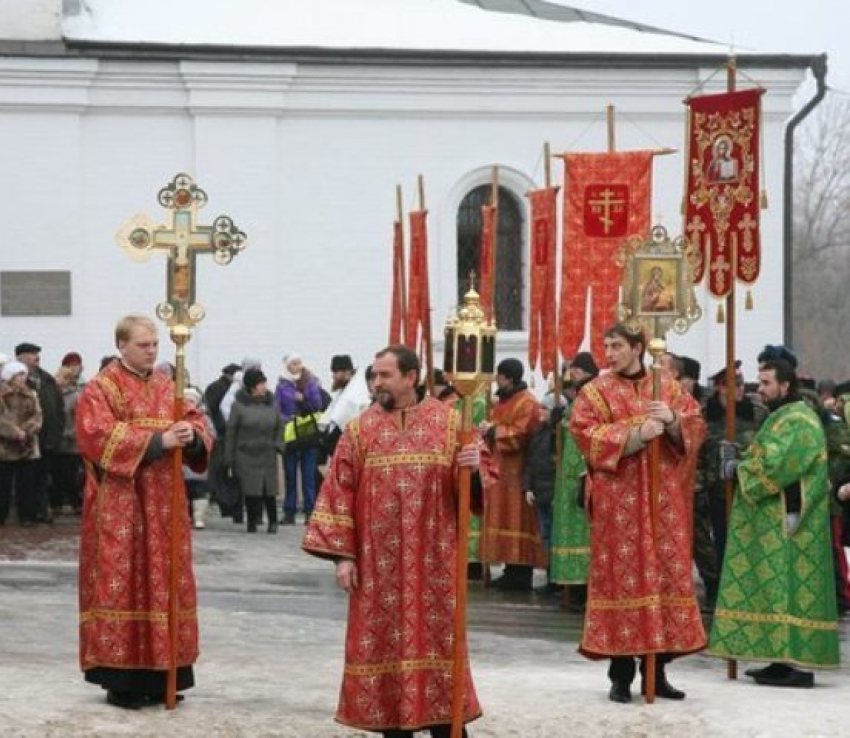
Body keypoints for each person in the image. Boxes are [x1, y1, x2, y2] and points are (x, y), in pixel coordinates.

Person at [303, 345, 491, 737]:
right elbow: (339, 491)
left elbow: (477, 488)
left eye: (385, 375)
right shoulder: (359, 429)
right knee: (383, 647)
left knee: (439, 647)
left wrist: (471, 470)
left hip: (434, 565)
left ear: (411, 377)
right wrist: (343, 556)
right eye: (374, 375)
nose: (376, 383)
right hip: (377, 568)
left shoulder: (450, 423)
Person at [76, 315, 212, 709]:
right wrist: (158, 440)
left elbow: (195, 421)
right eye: (143, 345)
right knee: (126, 581)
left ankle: (167, 673)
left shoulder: (168, 384)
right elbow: (96, 437)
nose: (152, 351)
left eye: (155, 344)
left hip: (165, 506)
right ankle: (124, 679)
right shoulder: (102, 388)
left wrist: (192, 438)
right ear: (122, 346)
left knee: (166, 582)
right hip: (122, 505)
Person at [569, 323, 707, 703]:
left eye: (616, 346)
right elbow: (583, 433)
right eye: (606, 345)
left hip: (663, 505)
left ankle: (656, 670)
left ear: (638, 347)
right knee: (621, 581)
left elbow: (696, 428)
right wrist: (636, 434)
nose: (609, 353)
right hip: (619, 507)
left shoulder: (668, 388)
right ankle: (621, 673)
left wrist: (674, 421)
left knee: (661, 580)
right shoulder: (595, 391)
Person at [709, 359, 840, 686]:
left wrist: (737, 469)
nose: (761, 389)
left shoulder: (797, 419)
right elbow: (764, 454)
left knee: (789, 588)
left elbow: (776, 465)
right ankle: (781, 659)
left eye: (766, 383)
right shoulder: (781, 417)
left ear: (785, 385)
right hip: (782, 514)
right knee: (778, 586)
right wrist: (740, 456)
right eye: (760, 382)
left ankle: (797, 667)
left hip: (791, 517)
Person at [479, 358, 546, 590]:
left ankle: (520, 573)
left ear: (508, 377)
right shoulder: (504, 400)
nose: (496, 379)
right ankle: (509, 569)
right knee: (502, 518)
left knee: (518, 520)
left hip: (518, 470)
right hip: (500, 469)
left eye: (499, 375)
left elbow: (521, 434)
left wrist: (494, 430)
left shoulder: (528, 402)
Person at [550, 352, 598, 608]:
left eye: (574, 370)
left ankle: (583, 590)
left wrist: (583, 473)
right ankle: (573, 588)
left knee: (584, 534)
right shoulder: (578, 396)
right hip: (567, 477)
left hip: (582, 473)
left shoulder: (592, 394)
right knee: (571, 531)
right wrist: (555, 424)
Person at [226, 367, 284, 534]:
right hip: (246, 454)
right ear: (251, 386)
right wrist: (229, 458)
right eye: (260, 383)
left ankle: (273, 522)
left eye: (264, 382)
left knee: (269, 490)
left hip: (267, 453)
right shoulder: (239, 406)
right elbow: (231, 432)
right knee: (251, 490)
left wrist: (279, 445)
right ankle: (252, 522)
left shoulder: (272, 405)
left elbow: (280, 427)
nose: (263, 386)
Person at [16, 341, 64, 523]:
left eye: (36, 353)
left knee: (44, 478)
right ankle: (28, 513)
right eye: (31, 353)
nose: (36, 356)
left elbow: (58, 409)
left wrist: (56, 434)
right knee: (27, 479)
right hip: (25, 439)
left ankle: (43, 510)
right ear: (20, 357)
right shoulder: (16, 380)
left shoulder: (47, 379)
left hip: (47, 438)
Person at [275, 354, 323, 524]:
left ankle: (310, 511)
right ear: (287, 366)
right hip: (290, 433)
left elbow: (318, 405)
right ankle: (289, 511)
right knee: (290, 474)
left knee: (308, 474)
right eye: (294, 364)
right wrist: (286, 418)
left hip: (307, 432)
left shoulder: (310, 381)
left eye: (299, 363)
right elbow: (277, 409)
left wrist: (304, 398)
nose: (298, 366)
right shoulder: (281, 385)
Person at [0, 360, 42, 526]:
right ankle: (1, 515)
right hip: (5, 447)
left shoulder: (31, 394)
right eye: (19, 375)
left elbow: (38, 416)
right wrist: (13, 432)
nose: (23, 378)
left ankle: (26, 516)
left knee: (27, 483)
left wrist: (27, 431)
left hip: (28, 445)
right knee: (3, 484)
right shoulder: (2, 395)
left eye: (24, 375)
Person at [203, 363, 240, 518]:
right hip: (221, 434)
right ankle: (221, 499)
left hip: (222, 433)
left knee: (221, 471)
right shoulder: (219, 388)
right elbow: (214, 410)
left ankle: (222, 499)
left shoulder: (215, 387)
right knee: (220, 470)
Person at [53, 363, 85, 515]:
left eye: (61, 377)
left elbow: (80, 418)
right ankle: (56, 503)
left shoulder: (76, 397)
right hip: (56, 443)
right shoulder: (54, 395)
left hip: (71, 444)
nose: (57, 379)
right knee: (57, 475)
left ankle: (76, 503)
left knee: (71, 476)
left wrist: (69, 434)